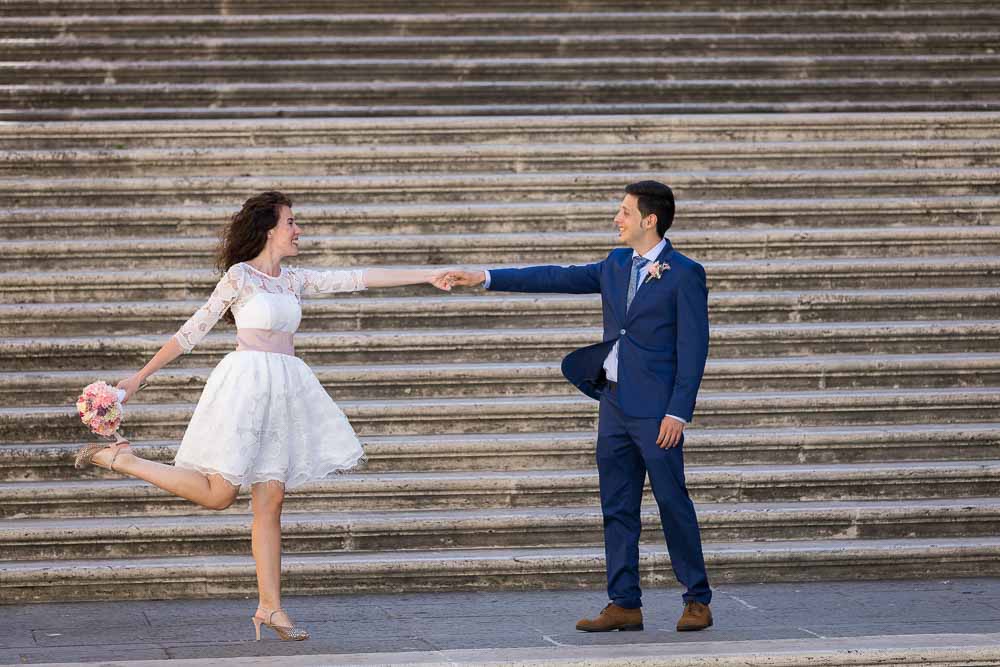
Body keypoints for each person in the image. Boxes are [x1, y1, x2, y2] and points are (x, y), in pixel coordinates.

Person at [74, 191, 453, 641]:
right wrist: (138, 378)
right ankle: (123, 459)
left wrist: (428, 274)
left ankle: (270, 608)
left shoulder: (294, 281)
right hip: (245, 385)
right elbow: (192, 331)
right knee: (219, 495)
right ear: (270, 228)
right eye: (291, 222)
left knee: (271, 501)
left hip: (286, 389)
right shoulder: (240, 277)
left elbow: (358, 277)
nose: (298, 230)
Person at [445, 180, 713, 632]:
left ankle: (697, 599)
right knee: (617, 504)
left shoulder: (684, 273)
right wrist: (485, 277)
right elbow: (555, 276)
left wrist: (678, 411)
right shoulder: (613, 263)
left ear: (650, 219)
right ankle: (624, 602)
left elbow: (694, 347)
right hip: (614, 404)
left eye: (624, 212)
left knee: (672, 502)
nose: (617, 219)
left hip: (657, 412)